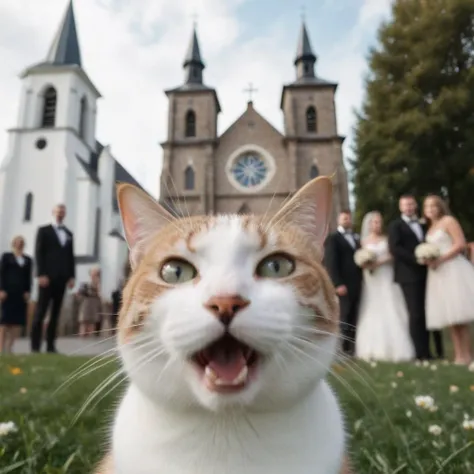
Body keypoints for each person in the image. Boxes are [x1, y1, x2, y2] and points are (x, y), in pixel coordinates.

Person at [388, 195, 444, 361]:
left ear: (415, 205)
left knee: (431, 311)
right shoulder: (395, 226)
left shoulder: (423, 224)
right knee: (416, 314)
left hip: (428, 274)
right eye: (405, 205)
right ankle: (421, 353)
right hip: (408, 276)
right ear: (400, 207)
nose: (409, 207)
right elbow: (395, 249)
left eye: (411, 204)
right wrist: (417, 259)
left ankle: (437, 351)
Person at [355, 212, 415, 362]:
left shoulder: (386, 239)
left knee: (392, 307)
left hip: (386, 276)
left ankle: (397, 347)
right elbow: (358, 259)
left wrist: (378, 262)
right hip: (371, 280)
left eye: (379, 222)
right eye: (374, 222)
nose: (377, 225)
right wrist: (366, 263)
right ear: (369, 224)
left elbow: (391, 255)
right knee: (372, 308)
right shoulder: (363, 242)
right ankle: (372, 347)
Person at [423, 195, 474, 365]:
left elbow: (460, 244)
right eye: (427, 206)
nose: (431, 209)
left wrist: (441, 259)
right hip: (438, 275)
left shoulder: (448, 221)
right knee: (451, 317)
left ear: (440, 207)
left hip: (453, 270)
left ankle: (467, 355)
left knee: (460, 317)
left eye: (434, 206)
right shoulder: (430, 228)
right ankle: (459, 355)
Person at [30, 204, 75, 353]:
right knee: (41, 311)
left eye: (63, 210)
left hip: (61, 279)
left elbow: (70, 257)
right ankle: (35, 346)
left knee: (55, 313)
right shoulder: (44, 231)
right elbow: (39, 252)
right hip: (46, 278)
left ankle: (50, 346)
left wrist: (71, 276)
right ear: (53, 212)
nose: (60, 213)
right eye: (58, 210)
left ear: (65, 214)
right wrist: (41, 274)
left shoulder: (69, 233)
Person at [324, 210, 362, 356]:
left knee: (354, 316)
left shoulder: (355, 238)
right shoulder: (334, 239)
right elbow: (331, 263)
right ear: (339, 220)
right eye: (344, 218)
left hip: (356, 284)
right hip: (343, 285)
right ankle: (344, 349)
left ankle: (351, 348)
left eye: (348, 218)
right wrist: (337, 284)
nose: (347, 220)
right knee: (344, 317)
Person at [0, 236, 32, 353]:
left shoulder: (27, 260)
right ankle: (1, 347)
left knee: (16, 322)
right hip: (8, 292)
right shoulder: (6, 257)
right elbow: (2, 273)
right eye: (17, 242)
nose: (19, 244)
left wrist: (28, 291)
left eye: (21, 243)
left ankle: (10, 347)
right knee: (4, 321)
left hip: (20, 294)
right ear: (13, 244)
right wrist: (1, 289)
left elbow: (28, 277)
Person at [77, 267, 102, 337]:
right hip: (86, 303)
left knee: (92, 321)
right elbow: (80, 292)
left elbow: (99, 293)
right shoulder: (85, 283)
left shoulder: (99, 283)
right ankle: (82, 335)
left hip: (94, 304)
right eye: (93, 274)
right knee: (84, 321)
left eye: (96, 274)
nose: (94, 276)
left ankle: (91, 336)